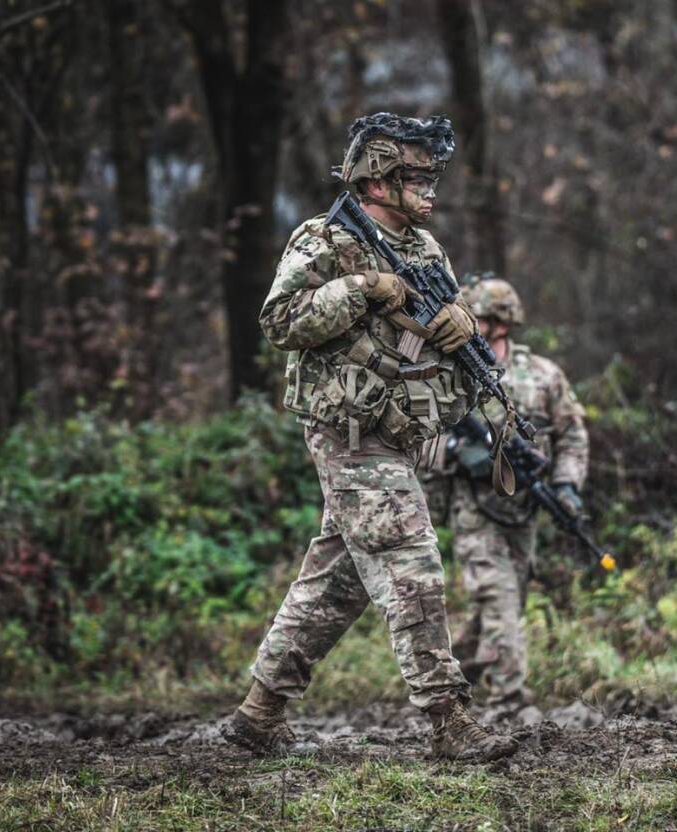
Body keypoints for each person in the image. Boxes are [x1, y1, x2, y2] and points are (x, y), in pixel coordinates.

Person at [221, 113, 517, 763]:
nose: (432, 188)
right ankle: (448, 717)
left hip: (396, 433)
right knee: (412, 564)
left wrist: (460, 324)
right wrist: (362, 287)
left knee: (340, 581)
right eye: (419, 176)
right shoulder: (324, 239)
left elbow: (436, 330)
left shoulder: (424, 249)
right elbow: (280, 318)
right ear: (379, 179)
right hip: (349, 432)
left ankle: (259, 713)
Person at [428, 277, 589, 717]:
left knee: (500, 608)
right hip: (474, 511)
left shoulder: (543, 375)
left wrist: (567, 486)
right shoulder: (449, 375)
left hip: (524, 513)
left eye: (477, 318)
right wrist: (460, 453)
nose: (468, 325)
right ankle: (510, 706)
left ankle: (441, 688)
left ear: (500, 324)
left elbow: (572, 435)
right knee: (497, 600)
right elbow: (416, 441)